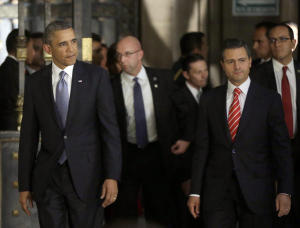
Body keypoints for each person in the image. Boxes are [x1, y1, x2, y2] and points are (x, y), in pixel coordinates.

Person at [18, 21, 122, 228]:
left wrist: (112, 176)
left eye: (73, 42)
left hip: (88, 177)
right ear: (48, 49)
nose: (71, 49)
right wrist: (24, 185)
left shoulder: (96, 77)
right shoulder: (36, 82)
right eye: (63, 44)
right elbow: (28, 137)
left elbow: (109, 130)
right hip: (48, 178)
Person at [188, 38, 293, 228]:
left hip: (258, 190)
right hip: (217, 192)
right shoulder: (209, 99)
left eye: (242, 60)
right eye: (230, 61)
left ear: (250, 62)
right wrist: (195, 192)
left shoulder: (269, 100)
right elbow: (201, 148)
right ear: (222, 65)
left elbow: (281, 148)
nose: (237, 66)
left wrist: (285, 190)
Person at [110, 36, 182, 226]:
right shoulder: (111, 85)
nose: (122, 59)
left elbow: (185, 110)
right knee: (125, 210)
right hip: (127, 154)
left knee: (160, 208)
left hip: (157, 152)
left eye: (127, 54)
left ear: (140, 54)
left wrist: (186, 138)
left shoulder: (164, 78)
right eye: (119, 55)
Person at [251, 22, 300, 227]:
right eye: (273, 40)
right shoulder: (256, 75)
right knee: (275, 212)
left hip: (297, 146)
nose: (277, 44)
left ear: (293, 43)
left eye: (283, 39)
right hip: (269, 151)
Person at [171, 53, 209, 228]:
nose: (204, 75)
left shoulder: (209, 93)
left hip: (207, 168)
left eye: (205, 70)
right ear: (186, 74)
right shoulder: (176, 97)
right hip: (186, 168)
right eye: (198, 72)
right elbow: (174, 140)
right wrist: (185, 176)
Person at [0, 29, 30, 130]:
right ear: (21, 47)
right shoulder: (11, 70)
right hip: (12, 130)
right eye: (32, 47)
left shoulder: (10, 68)